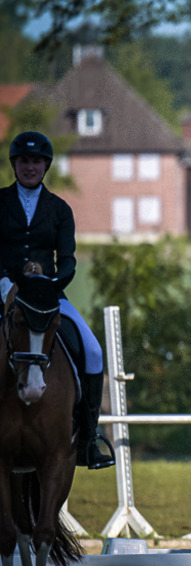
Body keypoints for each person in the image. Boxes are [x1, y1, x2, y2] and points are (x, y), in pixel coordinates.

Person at [1, 131, 115, 469]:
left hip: (47, 293)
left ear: (46, 165)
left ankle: (88, 440)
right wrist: (7, 279)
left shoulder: (59, 209)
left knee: (92, 350)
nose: (30, 167)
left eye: (36, 161)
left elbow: (67, 260)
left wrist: (50, 282)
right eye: (24, 161)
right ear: (15, 165)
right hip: (2, 285)